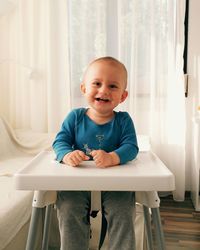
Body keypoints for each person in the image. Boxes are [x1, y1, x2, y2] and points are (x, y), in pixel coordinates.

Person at [52, 56, 139, 250]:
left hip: (115, 183)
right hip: (77, 181)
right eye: (97, 83)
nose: (104, 90)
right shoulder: (75, 117)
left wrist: (113, 157)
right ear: (84, 89)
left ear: (123, 96)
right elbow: (60, 141)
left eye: (113, 86)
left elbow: (131, 147)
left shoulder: (123, 120)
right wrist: (67, 155)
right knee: (68, 210)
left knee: (123, 211)